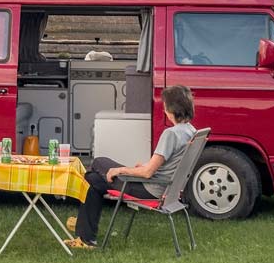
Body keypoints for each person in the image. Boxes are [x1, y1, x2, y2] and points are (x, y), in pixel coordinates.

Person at [65, 85, 197, 250]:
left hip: (150, 190)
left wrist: (120, 170)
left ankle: (85, 234)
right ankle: (84, 234)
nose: (163, 108)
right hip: (167, 189)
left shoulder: (171, 134)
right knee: (93, 180)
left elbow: (147, 173)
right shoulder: (190, 131)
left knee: (98, 163)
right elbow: (167, 165)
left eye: (164, 105)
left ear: (171, 108)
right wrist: (144, 166)